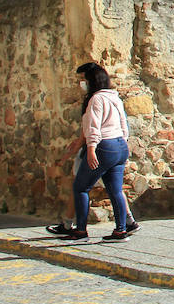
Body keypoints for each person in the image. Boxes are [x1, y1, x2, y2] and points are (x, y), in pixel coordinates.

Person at [46, 63, 133, 241]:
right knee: (115, 189)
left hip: (104, 146)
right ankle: (121, 230)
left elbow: (94, 127)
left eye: (84, 80)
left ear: (91, 81)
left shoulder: (96, 100)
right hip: (119, 145)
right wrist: (123, 143)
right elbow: (124, 124)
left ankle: (80, 230)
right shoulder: (115, 98)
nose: (82, 84)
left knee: (80, 188)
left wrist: (92, 149)